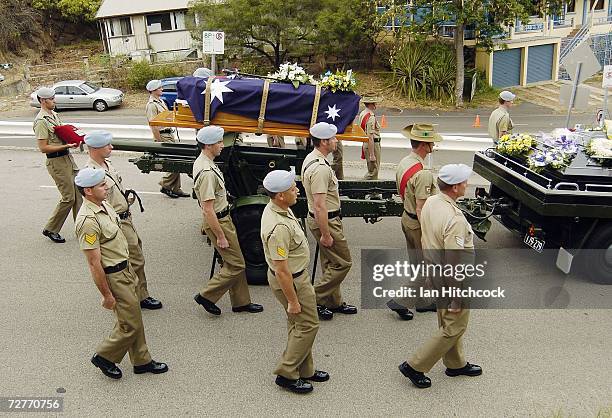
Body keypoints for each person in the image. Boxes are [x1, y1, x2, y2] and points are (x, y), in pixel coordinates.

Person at [74, 167, 168, 380]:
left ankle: (142, 360)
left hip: (125, 269)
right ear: (88, 191)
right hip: (114, 275)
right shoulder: (88, 221)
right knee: (130, 323)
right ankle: (105, 356)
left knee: (133, 318)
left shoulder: (104, 204)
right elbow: (93, 263)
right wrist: (106, 295)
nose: (106, 187)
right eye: (101, 185)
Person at [398, 164, 482, 389]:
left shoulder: (431, 202)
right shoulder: (453, 218)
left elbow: (426, 239)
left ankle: (455, 363)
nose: (467, 184)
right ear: (455, 187)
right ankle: (415, 366)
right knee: (455, 325)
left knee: (447, 320)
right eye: (465, 181)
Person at [260, 170, 328, 394]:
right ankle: (287, 373)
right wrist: (293, 300)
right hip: (292, 281)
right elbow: (281, 270)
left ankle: (305, 369)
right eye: (292, 189)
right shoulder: (278, 227)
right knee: (308, 325)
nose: (297, 190)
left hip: (296, 277)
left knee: (299, 325)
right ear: (280, 195)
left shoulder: (278, 209)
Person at [84, 131, 162, 310]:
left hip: (125, 217)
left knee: (136, 257)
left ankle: (137, 294)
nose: (111, 147)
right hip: (115, 223)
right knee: (128, 261)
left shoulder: (107, 165)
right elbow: (95, 203)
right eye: (107, 145)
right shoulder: (91, 174)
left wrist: (126, 201)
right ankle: (135, 297)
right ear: (95, 148)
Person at [192, 125, 263, 316]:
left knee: (234, 262)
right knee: (238, 264)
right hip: (219, 221)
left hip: (223, 218)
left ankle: (241, 302)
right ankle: (206, 295)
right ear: (208, 145)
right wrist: (220, 235)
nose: (222, 145)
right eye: (219, 142)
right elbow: (208, 209)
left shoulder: (206, 162)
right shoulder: (206, 171)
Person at [301, 122, 355, 321]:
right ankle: (313, 299)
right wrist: (325, 234)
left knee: (330, 262)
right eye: (333, 138)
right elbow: (320, 205)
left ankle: (332, 302)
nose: (336, 141)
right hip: (327, 220)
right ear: (323, 142)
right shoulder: (320, 169)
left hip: (326, 218)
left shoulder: (312, 158)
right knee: (343, 263)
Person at [387, 124, 441, 321]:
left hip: (406, 218)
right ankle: (399, 301)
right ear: (425, 145)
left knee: (417, 264)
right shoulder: (423, 173)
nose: (434, 144)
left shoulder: (405, 162)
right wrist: (428, 234)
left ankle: (423, 302)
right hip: (418, 224)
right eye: (431, 141)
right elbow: (422, 208)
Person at [33, 86, 82, 243]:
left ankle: (82, 227)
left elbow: (61, 134)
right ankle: (51, 229)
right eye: (52, 99)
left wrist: (73, 138)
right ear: (43, 100)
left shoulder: (53, 114)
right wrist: (65, 146)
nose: (55, 101)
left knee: (79, 194)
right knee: (68, 198)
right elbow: (43, 147)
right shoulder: (41, 121)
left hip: (67, 159)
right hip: (56, 162)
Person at [145, 79, 190, 199]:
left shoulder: (160, 101)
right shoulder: (152, 105)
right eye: (160, 88)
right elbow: (153, 124)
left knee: (176, 161)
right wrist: (158, 141)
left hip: (169, 134)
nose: (162, 89)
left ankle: (176, 188)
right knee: (173, 163)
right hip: (163, 136)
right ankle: (165, 185)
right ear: (153, 90)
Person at [359, 93, 383, 180]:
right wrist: (372, 155)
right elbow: (370, 136)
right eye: (375, 103)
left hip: (367, 144)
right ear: (371, 104)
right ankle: (364, 188)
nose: (376, 105)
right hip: (372, 145)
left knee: (372, 170)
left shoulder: (363, 113)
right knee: (373, 172)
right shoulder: (370, 117)